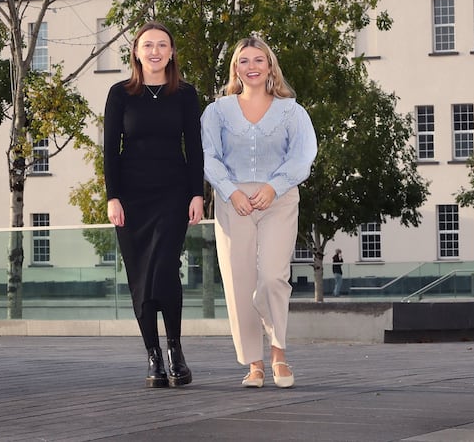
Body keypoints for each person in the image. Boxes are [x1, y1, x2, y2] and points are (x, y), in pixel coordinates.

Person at [201, 36, 317, 389]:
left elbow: (302, 156)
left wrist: (273, 187)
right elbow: (208, 156)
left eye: (258, 60)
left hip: (277, 200)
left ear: (270, 66)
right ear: (236, 68)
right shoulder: (217, 111)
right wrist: (231, 190)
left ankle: (279, 352)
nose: (251, 67)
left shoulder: (292, 111)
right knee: (239, 285)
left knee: (271, 277)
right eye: (244, 61)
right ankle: (254, 363)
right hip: (232, 200)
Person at [104, 21, 204, 388]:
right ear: (136, 51)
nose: (155, 51)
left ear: (172, 52)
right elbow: (109, 152)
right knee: (140, 278)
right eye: (148, 45)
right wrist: (112, 196)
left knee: (163, 270)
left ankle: (175, 349)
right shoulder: (120, 94)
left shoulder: (185, 95)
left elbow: (194, 148)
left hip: (173, 196)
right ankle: (153, 356)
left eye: (163, 45)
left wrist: (198, 193)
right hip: (131, 199)